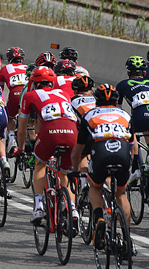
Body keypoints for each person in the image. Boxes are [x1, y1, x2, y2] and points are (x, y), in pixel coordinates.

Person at [70, 84, 134, 250]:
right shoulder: (125, 115)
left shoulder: (90, 115)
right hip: (123, 152)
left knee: (95, 186)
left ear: (96, 101)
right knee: (121, 193)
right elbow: (133, 147)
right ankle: (127, 237)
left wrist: (75, 171)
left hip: (101, 152)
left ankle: (99, 218)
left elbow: (77, 151)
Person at [17, 66, 78, 225]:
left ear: (33, 81)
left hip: (50, 133)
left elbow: (22, 128)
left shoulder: (29, 95)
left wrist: (21, 149)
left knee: (40, 164)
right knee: (64, 173)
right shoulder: (64, 93)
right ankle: (71, 207)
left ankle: (38, 207)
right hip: (72, 133)